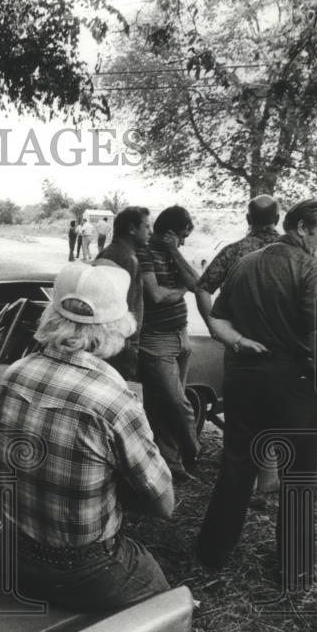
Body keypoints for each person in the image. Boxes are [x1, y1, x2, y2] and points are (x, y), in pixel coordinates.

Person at [0, 262, 174, 612]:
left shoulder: (15, 374)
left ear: (51, 314)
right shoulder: (114, 400)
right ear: (117, 326)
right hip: (85, 569)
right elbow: (164, 505)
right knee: (165, 609)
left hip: (13, 553)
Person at [196, 199, 317, 589]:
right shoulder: (312, 269)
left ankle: (211, 552)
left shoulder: (245, 262)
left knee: (237, 466)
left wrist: (238, 341)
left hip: (244, 378)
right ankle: (294, 572)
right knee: (299, 478)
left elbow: (217, 318)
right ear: (301, 228)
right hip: (294, 383)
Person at [197, 194, 284, 497]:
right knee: (274, 408)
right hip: (280, 347)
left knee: (238, 411)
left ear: (248, 219)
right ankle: (268, 473)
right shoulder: (292, 252)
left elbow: (203, 286)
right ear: (278, 218)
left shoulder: (234, 251)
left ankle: (237, 479)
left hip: (239, 343)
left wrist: (215, 325)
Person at [136, 206, 205, 481]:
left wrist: (176, 252)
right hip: (156, 339)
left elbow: (199, 284)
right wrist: (182, 290)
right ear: (168, 233)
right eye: (181, 237)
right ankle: (194, 450)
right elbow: (156, 296)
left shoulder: (172, 253)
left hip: (181, 335)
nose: (184, 243)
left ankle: (172, 465)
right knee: (177, 403)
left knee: (167, 404)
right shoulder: (144, 253)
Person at [95, 206, 151, 381]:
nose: (150, 232)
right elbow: (124, 307)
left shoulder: (108, 252)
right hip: (119, 344)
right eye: (147, 226)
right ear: (132, 229)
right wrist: (129, 346)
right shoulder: (127, 259)